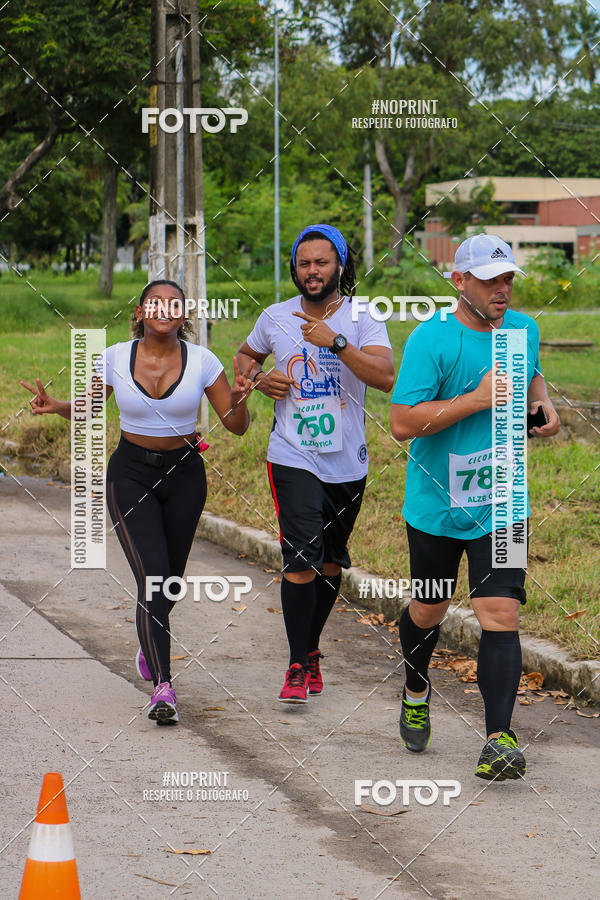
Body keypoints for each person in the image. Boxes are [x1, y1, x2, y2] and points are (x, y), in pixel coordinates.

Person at [21, 280, 252, 726]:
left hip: (185, 477)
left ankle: (149, 638)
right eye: (155, 303)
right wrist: (57, 406)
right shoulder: (113, 357)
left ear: (185, 315)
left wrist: (240, 401)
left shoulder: (203, 362)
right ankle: (163, 687)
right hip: (131, 476)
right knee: (153, 580)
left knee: (170, 584)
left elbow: (236, 425)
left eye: (174, 304)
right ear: (142, 310)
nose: (164, 310)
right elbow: (90, 408)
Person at [390, 234, 560, 779]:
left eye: (508, 278)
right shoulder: (430, 340)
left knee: (500, 613)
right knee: (429, 611)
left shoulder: (523, 331)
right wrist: (477, 399)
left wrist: (544, 411)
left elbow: (533, 387)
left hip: (502, 499)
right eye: (490, 280)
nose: (502, 289)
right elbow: (402, 424)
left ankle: (499, 738)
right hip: (438, 506)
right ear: (459, 281)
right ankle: (417, 686)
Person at [236, 224, 394, 703]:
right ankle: (296, 663)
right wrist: (260, 378)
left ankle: (312, 648)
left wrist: (336, 343)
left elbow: (386, 377)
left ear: (340, 267)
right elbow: (244, 358)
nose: (312, 272)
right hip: (292, 453)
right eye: (304, 263)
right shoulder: (275, 316)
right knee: (301, 558)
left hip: (347, 462)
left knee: (329, 563)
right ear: (294, 268)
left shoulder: (363, 315)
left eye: (321, 262)